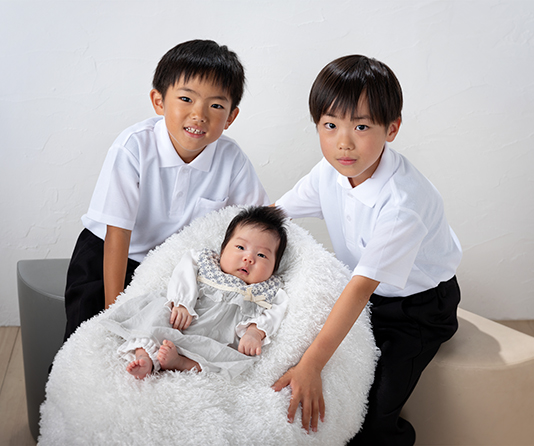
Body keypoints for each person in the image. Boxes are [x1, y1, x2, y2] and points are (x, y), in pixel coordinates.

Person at [272, 55, 462, 445]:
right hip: (363, 294)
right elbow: (274, 215)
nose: (344, 142)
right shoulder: (329, 171)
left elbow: (360, 289)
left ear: (391, 128)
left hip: (417, 309)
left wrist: (312, 364)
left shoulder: (403, 203)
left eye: (361, 126)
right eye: (330, 126)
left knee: (373, 411)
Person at [63, 40, 269, 342]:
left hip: (174, 269)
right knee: (91, 339)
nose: (199, 114)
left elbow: (259, 221)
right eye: (186, 99)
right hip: (111, 255)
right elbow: (117, 233)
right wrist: (115, 311)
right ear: (158, 101)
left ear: (231, 117)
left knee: (165, 348)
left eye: (216, 105)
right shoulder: (133, 146)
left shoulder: (232, 158)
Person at [100, 206, 289, 380]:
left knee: (228, 360)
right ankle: (144, 357)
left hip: (215, 337)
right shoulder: (206, 262)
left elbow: (275, 312)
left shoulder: (269, 290)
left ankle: (181, 363)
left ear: (274, 267)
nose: (248, 258)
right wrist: (182, 303)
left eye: (262, 255)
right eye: (240, 247)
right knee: (156, 313)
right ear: (223, 249)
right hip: (183, 319)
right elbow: (184, 276)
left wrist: (255, 333)